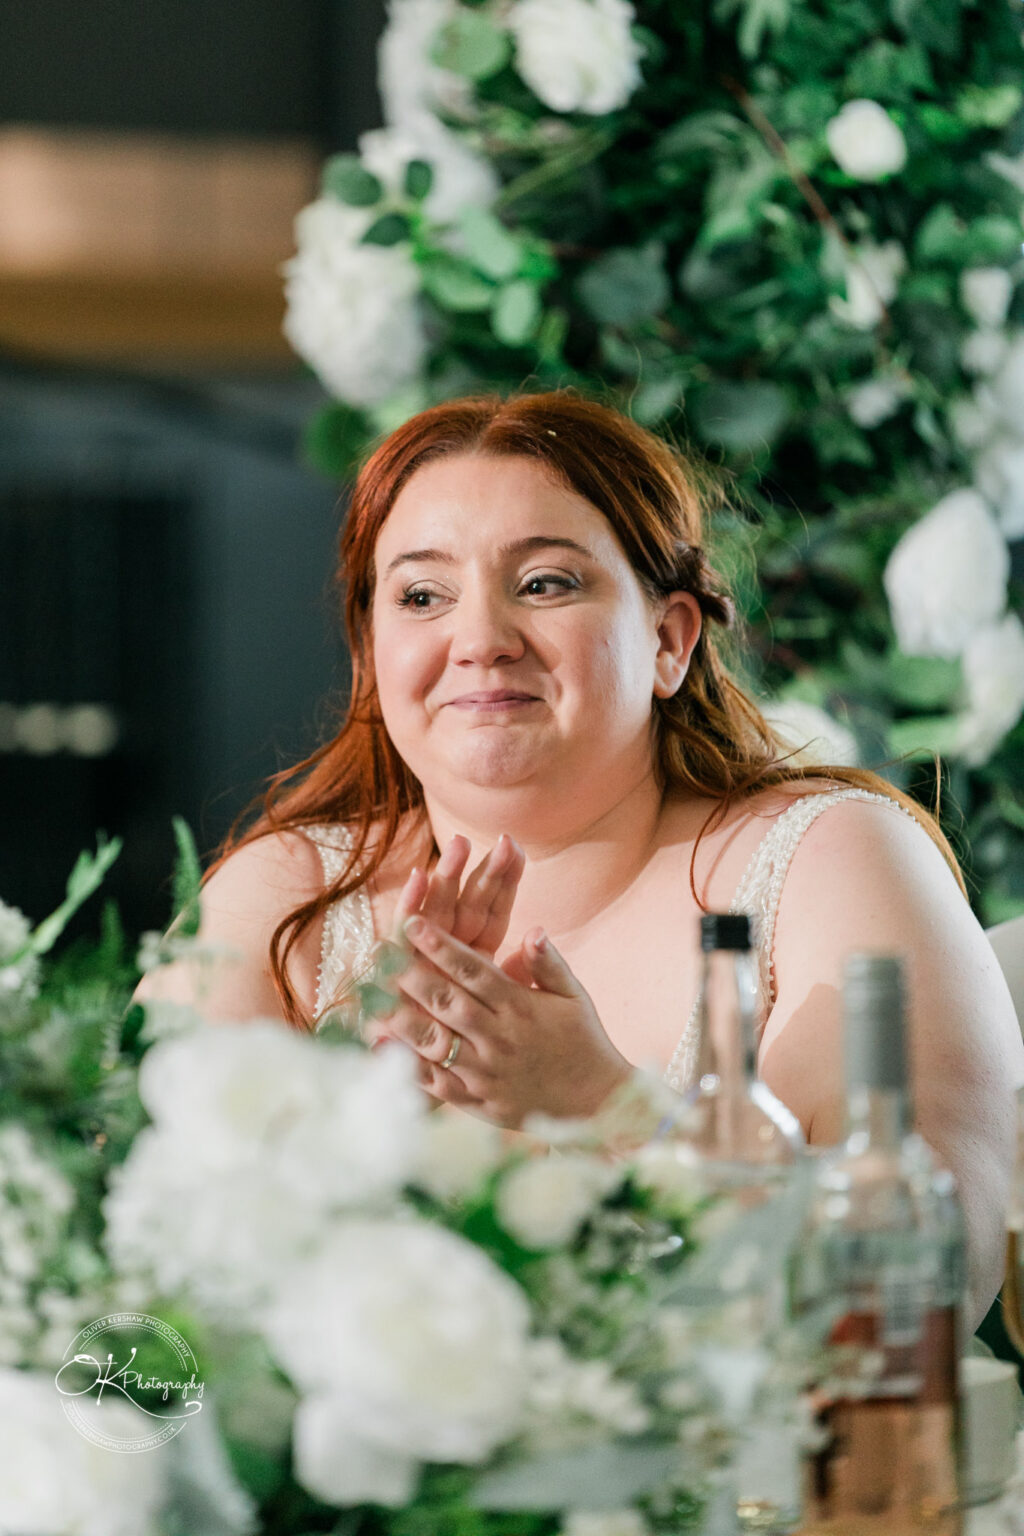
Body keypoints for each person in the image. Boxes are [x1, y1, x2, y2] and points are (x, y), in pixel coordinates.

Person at [137, 390, 1023, 1328]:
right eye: (422, 596)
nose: (478, 641)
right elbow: (132, 1283)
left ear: (670, 640)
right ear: (370, 651)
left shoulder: (827, 860)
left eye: (546, 583)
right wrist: (359, 1099)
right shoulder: (287, 900)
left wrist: (610, 1111)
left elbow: (921, 1287)